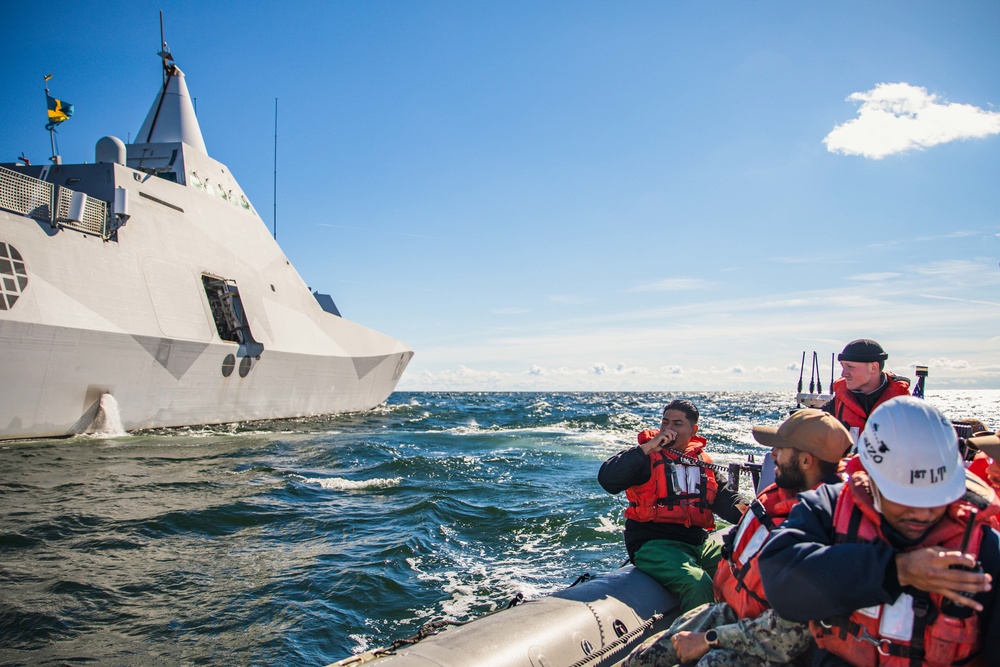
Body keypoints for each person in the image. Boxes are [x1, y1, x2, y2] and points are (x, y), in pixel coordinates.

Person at [758, 396, 1000, 666]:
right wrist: (897, 570)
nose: (922, 512)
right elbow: (780, 579)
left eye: (935, 497)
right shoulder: (828, 508)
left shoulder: (986, 548)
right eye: (904, 497)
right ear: (870, 478)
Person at [623, 409, 851, 667]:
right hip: (737, 611)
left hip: (772, 638)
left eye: (781, 449)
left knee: (712, 661)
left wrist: (710, 639)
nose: (772, 455)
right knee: (643, 660)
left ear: (807, 461)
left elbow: (789, 634)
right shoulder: (784, 494)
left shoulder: (824, 526)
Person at [598, 399, 748, 613]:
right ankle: (693, 641)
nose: (668, 429)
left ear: (693, 429)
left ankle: (740, 630)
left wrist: (750, 510)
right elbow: (608, 480)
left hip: (697, 543)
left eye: (677, 424)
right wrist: (648, 447)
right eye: (665, 422)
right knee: (698, 584)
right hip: (654, 544)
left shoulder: (701, 460)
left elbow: (724, 498)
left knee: (742, 566)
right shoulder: (645, 457)